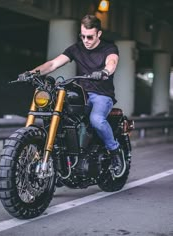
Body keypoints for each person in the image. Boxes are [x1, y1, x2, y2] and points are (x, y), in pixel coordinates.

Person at [23, 14, 125, 178]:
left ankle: (114, 151)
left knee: (96, 120)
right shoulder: (76, 49)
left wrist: (105, 72)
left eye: (90, 36)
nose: (86, 40)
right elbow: (52, 64)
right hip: (81, 95)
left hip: (101, 95)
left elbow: (112, 62)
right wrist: (31, 73)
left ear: (98, 34)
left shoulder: (109, 48)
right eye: (82, 36)